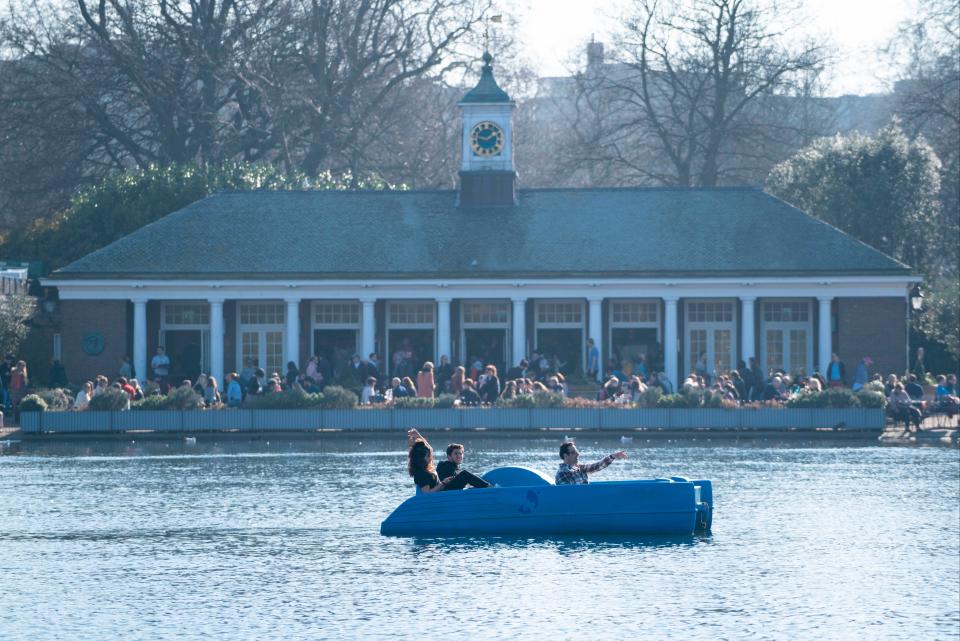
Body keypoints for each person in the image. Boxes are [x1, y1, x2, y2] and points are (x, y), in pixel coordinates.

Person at [406, 430, 490, 492]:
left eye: (460, 454)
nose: (430, 458)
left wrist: (419, 436)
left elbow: (430, 449)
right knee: (464, 474)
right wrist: (443, 483)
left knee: (464, 476)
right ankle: (489, 488)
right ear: (420, 458)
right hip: (443, 493)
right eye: (428, 456)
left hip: (444, 489)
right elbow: (427, 494)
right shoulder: (421, 473)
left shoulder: (427, 468)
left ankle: (485, 487)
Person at [555, 441, 627, 485]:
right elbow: (567, 495)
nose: (578, 454)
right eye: (574, 452)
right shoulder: (562, 473)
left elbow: (597, 466)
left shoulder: (578, 468)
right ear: (565, 456)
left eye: (577, 451)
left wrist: (613, 456)